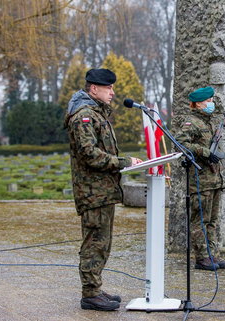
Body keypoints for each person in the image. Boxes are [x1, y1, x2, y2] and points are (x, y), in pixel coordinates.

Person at [64, 68, 142, 311]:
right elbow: (90, 154)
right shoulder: (84, 116)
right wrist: (124, 163)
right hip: (93, 192)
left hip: (102, 190)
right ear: (94, 89)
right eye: (109, 88)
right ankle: (89, 293)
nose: (113, 92)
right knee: (94, 242)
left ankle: (94, 288)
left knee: (102, 242)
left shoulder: (97, 114)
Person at [174, 86, 225, 271]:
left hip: (213, 179)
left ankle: (211, 254)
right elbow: (180, 143)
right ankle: (202, 257)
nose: (211, 104)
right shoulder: (191, 122)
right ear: (197, 103)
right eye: (208, 101)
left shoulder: (208, 122)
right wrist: (205, 152)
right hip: (200, 180)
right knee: (200, 220)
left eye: (212, 101)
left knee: (212, 221)